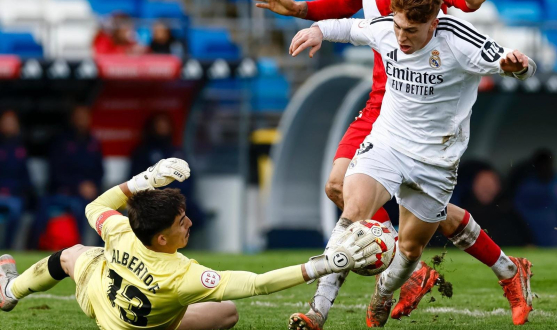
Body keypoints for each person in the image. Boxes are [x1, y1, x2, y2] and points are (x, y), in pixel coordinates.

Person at [256, 0, 529, 328]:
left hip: (435, 160)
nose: (401, 36)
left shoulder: (459, 41)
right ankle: (317, 311)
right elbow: (344, 23)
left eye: (410, 30)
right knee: (350, 210)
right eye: (398, 27)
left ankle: (387, 290)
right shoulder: (386, 26)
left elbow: (506, 56)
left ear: (433, 22)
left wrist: (517, 66)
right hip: (387, 138)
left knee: (410, 249)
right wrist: (314, 28)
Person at [0, 158, 378, 330]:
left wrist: (147, 179)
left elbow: (95, 206)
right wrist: (325, 264)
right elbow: (258, 283)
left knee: (72, 255)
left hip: (99, 298)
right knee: (227, 311)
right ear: (162, 238)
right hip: (136, 322)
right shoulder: (184, 276)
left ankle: (9, 292)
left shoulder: (122, 231)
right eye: (183, 222)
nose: (191, 223)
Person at [32, 105, 104, 247]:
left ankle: (98, 250)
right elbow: (56, 172)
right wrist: (78, 186)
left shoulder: (93, 142)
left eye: (84, 116)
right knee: (46, 207)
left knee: (102, 211)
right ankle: (32, 247)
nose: (81, 120)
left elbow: (99, 171)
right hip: (62, 191)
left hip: (87, 194)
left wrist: (93, 186)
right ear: (72, 118)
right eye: (78, 116)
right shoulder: (61, 141)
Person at [130, 113, 205, 228]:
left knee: (196, 215)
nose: (163, 128)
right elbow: (137, 179)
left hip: (180, 199)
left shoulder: (177, 152)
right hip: (156, 200)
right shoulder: (143, 152)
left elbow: (188, 177)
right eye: (159, 125)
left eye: (165, 125)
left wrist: (180, 196)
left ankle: (180, 243)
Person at [461, 167, 532, 246]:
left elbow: (527, 243)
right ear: (473, 187)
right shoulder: (463, 214)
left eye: (489, 184)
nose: (485, 188)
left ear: (499, 186)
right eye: (481, 184)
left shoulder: (508, 213)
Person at [0, 110, 34, 249]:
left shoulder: (21, 147)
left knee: (16, 209)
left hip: (14, 194)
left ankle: (6, 248)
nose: (9, 125)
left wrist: (20, 191)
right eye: (6, 122)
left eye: (12, 122)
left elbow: (24, 176)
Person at [514, 149, 557, 246]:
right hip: (532, 227)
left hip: (552, 227)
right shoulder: (528, 186)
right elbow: (518, 208)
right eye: (541, 164)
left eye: (547, 164)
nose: (545, 167)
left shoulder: (554, 183)